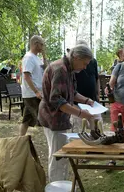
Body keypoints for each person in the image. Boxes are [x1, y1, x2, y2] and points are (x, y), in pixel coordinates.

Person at [38, 44, 95, 182]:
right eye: (84, 63)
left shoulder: (69, 69)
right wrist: (82, 113)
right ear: (76, 57)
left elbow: (72, 92)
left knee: (64, 155)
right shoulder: (60, 70)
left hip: (61, 118)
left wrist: (87, 100)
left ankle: (64, 187)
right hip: (53, 118)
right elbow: (57, 100)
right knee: (58, 156)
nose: (85, 67)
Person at [70, 40, 102, 133]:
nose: (85, 67)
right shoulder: (71, 66)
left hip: (92, 102)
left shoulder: (93, 62)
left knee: (98, 130)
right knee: (79, 132)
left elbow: (96, 78)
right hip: (77, 104)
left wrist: (98, 94)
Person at [19, 35, 47, 136]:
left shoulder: (37, 58)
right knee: (44, 118)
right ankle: (50, 139)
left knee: (26, 119)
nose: (43, 46)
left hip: (36, 93)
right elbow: (26, 76)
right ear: (36, 44)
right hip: (32, 94)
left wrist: (44, 56)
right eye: (42, 44)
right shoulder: (29, 57)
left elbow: (46, 69)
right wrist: (36, 92)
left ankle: (20, 139)